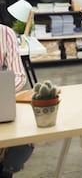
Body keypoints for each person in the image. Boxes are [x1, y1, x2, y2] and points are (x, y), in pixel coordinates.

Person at [0, 25, 33, 178]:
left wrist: (4, 91)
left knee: (23, 141)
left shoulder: (5, 33)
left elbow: (19, 75)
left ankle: (7, 168)